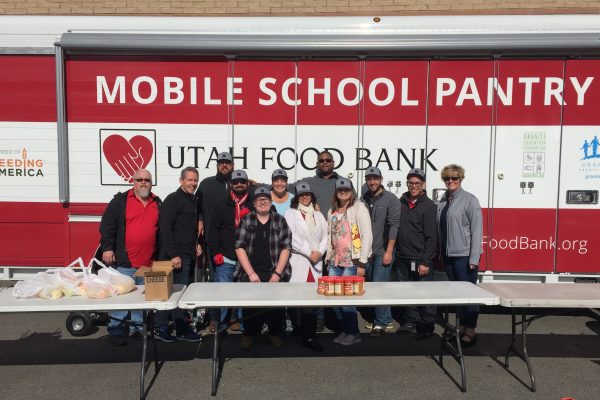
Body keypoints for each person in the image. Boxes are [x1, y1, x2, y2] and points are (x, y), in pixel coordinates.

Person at [99, 169, 161, 346]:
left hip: (148, 262)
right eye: (140, 179)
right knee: (121, 297)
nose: (143, 183)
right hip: (125, 262)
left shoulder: (156, 202)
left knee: (141, 298)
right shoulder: (121, 201)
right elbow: (107, 226)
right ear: (132, 182)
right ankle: (116, 330)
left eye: (147, 180)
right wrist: (107, 248)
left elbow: (162, 231)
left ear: (151, 183)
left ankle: (138, 329)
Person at [235, 186, 292, 350]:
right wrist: (251, 273)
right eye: (259, 199)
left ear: (271, 201)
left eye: (266, 199)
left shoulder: (280, 220)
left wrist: (277, 273)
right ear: (254, 203)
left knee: (276, 307)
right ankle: (249, 334)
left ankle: (275, 334)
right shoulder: (247, 220)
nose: (263, 202)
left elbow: (286, 248)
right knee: (250, 306)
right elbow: (239, 247)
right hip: (251, 270)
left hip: (274, 269)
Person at [153, 167, 203, 343]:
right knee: (168, 295)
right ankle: (162, 328)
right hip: (173, 257)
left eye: (195, 180)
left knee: (180, 294)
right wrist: (173, 255)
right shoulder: (173, 200)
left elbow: (187, 228)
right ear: (181, 181)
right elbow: (165, 229)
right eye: (190, 180)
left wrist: (197, 244)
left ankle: (180, 329)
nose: (193, 183)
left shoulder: (192, 200)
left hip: (186, 254)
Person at [437, 164, 483, 347]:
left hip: (464, 256)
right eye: (447, 178)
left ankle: (470, 330)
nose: (450, 181)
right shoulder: (443, 201)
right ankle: (460, 328)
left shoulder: (470, 200)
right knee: (457, 295)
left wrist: (473, 258)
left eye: (454, 178)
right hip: (448, 256)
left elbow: (476, 230)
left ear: (460, 179)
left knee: (470, 296)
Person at [326, 178, 372, 346]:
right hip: (334, 261)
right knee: (334, 300)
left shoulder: (358, 207)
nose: (343, 192)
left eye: (346, 189)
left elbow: (367, 234)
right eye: (340, 190)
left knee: (347, 300)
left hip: (352, 261)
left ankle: (353, 332)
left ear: (351, 191)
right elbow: (329, 236)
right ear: (336, 192)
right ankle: (344, 330)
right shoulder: (332, 210)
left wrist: (362, 261)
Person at [284, 181, 328, 351]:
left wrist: (320, 252)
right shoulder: (291, 213)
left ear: (311, 196)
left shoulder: (318, 214)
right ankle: (298, 329)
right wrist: (308, 252)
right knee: (296, 299)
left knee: (311, 302)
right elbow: (290, 237)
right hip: (299, 261)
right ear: (297, 197)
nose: (304, 197)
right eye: (301, 195)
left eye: (307, 194)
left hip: (315, 262)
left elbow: (326, 236)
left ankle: (309, 338)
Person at [395, 168, 438, 340]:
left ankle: (427, 323)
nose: (414, 186)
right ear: (407, 184)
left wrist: (426, 261)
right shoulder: (402, 202)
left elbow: (431, 237)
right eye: (411, 183)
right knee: (407, 291)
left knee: (425, 292)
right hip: (402, 257)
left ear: (423, 185)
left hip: (420, 258)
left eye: (417, 183)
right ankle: (410, 320)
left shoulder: (428, 206)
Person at [206, 169, 252, 332]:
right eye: (235, 182)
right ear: (231, 184)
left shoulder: (254, 203)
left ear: (247, 184)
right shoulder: (221, 203)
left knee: (243, 295)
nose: (239, 185)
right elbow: (212, 231)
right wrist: (216, 252)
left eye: (242, 182)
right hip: (226, 258)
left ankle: (241, 322)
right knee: (222, 293)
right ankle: (218, 322)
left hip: (247, 260)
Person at [361, 167, 400, 336]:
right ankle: (386, 317)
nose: (372, 182)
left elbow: (394, 226)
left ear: (381, 179)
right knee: (373, 284)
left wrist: (389, 251)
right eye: (369, 179)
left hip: (382, 250)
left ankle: (381, 323)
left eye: (375, 178)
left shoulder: (391, 199)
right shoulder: (362, 199)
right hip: (367, 251)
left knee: (378, 285)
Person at [197, 151, 234, 242]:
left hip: (232, 236)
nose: (224, 165)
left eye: (227, 163)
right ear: (217, 165)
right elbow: (197, 206)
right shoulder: (206, 184)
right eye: (221, 163)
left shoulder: (239, 184)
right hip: (210, 235)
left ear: (233, 165)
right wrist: (200, 220)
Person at [303, 150, 340, 218]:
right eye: (321, 161)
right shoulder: (308, 182)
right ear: (317, 164)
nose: (325, 162)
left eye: (328, 160)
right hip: (315, 226)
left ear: (333, 163)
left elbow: (354, 204)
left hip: (339, 226)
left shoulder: (344, 182)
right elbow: (282, 186)